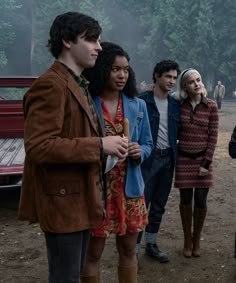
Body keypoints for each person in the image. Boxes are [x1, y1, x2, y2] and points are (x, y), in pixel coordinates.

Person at [18, 12, 129, 283]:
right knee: (65, 277)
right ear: (67, 41)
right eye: (91, 40)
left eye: (99, 40)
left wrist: (109, 152)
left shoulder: (78, 84)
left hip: (80, 200)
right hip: (62, 203)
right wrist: (101, 144)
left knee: (73, 275)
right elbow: (40, 147)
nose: (99, 47)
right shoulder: (50, 85)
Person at [81, 42, 153, 282]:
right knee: (92, 253)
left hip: (130, 190)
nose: (122, 74)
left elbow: (148, 144)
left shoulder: (138, 105)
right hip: (97, 190)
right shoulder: (88, 104)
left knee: (129, 250)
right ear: (102, 69)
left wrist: (138, 151)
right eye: (115, 69)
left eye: (126, 69)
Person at [136, 60, 181, 263]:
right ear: (156, 76)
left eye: (174, 77)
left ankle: (151, 244)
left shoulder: (175, 104)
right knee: (141, 204)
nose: (172, 81)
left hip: (168, 159)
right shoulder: (142, 101)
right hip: (148, 160)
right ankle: (134, 249)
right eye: (168, 77)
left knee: (159, 205)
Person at [175, 69, 219, 258]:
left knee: (201, 200)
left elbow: (213, 137)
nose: (197, 84)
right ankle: (187, 239)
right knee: (185, 200)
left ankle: (196, 239)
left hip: (203, 160)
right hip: (183, 160)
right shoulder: (178, 105)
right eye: (191, 82)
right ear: (185, 86)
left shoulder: (211, 106)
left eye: (199, 80)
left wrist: (206, 163)